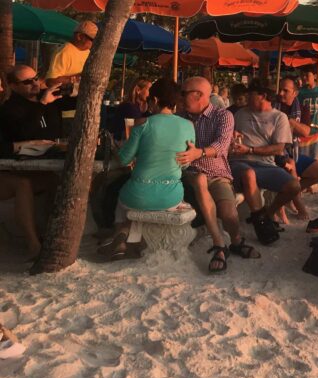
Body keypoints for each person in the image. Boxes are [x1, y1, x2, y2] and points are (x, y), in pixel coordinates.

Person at [102, 78, 193, 260]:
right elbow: (186, 163)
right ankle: (127, 241)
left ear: (156, 100)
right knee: (142, 200)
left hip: (137, 192)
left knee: (125, 201)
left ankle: (121, 235)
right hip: (171, 196)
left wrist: (115, 148)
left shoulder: (142, 123)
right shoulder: (188, 126)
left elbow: (124, 159)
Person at [177, 76, 260, 272]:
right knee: (198, 179)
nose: (180, 97)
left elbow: (222, 146)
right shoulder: (179, 118)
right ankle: (219, 245)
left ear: (199, 95)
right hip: (188, 174)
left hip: (216, 173)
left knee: (229, 214)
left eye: (184, 93)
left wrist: (199, 152)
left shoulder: (223, 116)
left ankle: (236, 241)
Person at [0, 64, 63, 257]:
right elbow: (21, 133)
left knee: (53, 180)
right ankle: (33, 244)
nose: (35, 83)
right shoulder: (9, 109)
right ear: (13, 85)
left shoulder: (42, 100)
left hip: (27, 164)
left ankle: (48, 234)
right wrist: (41, 105)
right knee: (23, 184)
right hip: (8, 173)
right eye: (27, 82)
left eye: (36, 78)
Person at [229, 84, 303, 244]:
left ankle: (268, 214)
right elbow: (229, 138)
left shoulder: (279, 117)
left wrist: (249, 149)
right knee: (249, 174)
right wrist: (232, 137)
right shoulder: (240, 114)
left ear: (262, 95)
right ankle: (262, 226)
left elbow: (279, 148)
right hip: (239, 163)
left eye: (251, 95)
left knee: (294, 186)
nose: (247, 98)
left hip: (265, 165)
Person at [275, 77, 318, 217]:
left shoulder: (301, 109)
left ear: (295, 93)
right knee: (291, 165)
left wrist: (288, 119)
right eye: (280, 89)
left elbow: (305, 132)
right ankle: (301, 210)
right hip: (277, 154)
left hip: (294, 152)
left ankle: (289, 193)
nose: (280, 93)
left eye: (285, 90)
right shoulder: (273, 107)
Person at [45, 19, 97, 90]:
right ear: (80, 36)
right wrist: (77, 78)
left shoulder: (88, 52)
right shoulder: (64, 52)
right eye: (93, 40)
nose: (95, 43)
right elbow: (50, 82)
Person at [296, 69, 318, 160]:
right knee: (301, 158)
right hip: (303, 130)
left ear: (315, 76)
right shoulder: (299, 92)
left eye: (307, 75)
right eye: (303, 75)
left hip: (315, 130)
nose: (304, 78)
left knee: (313, 158)